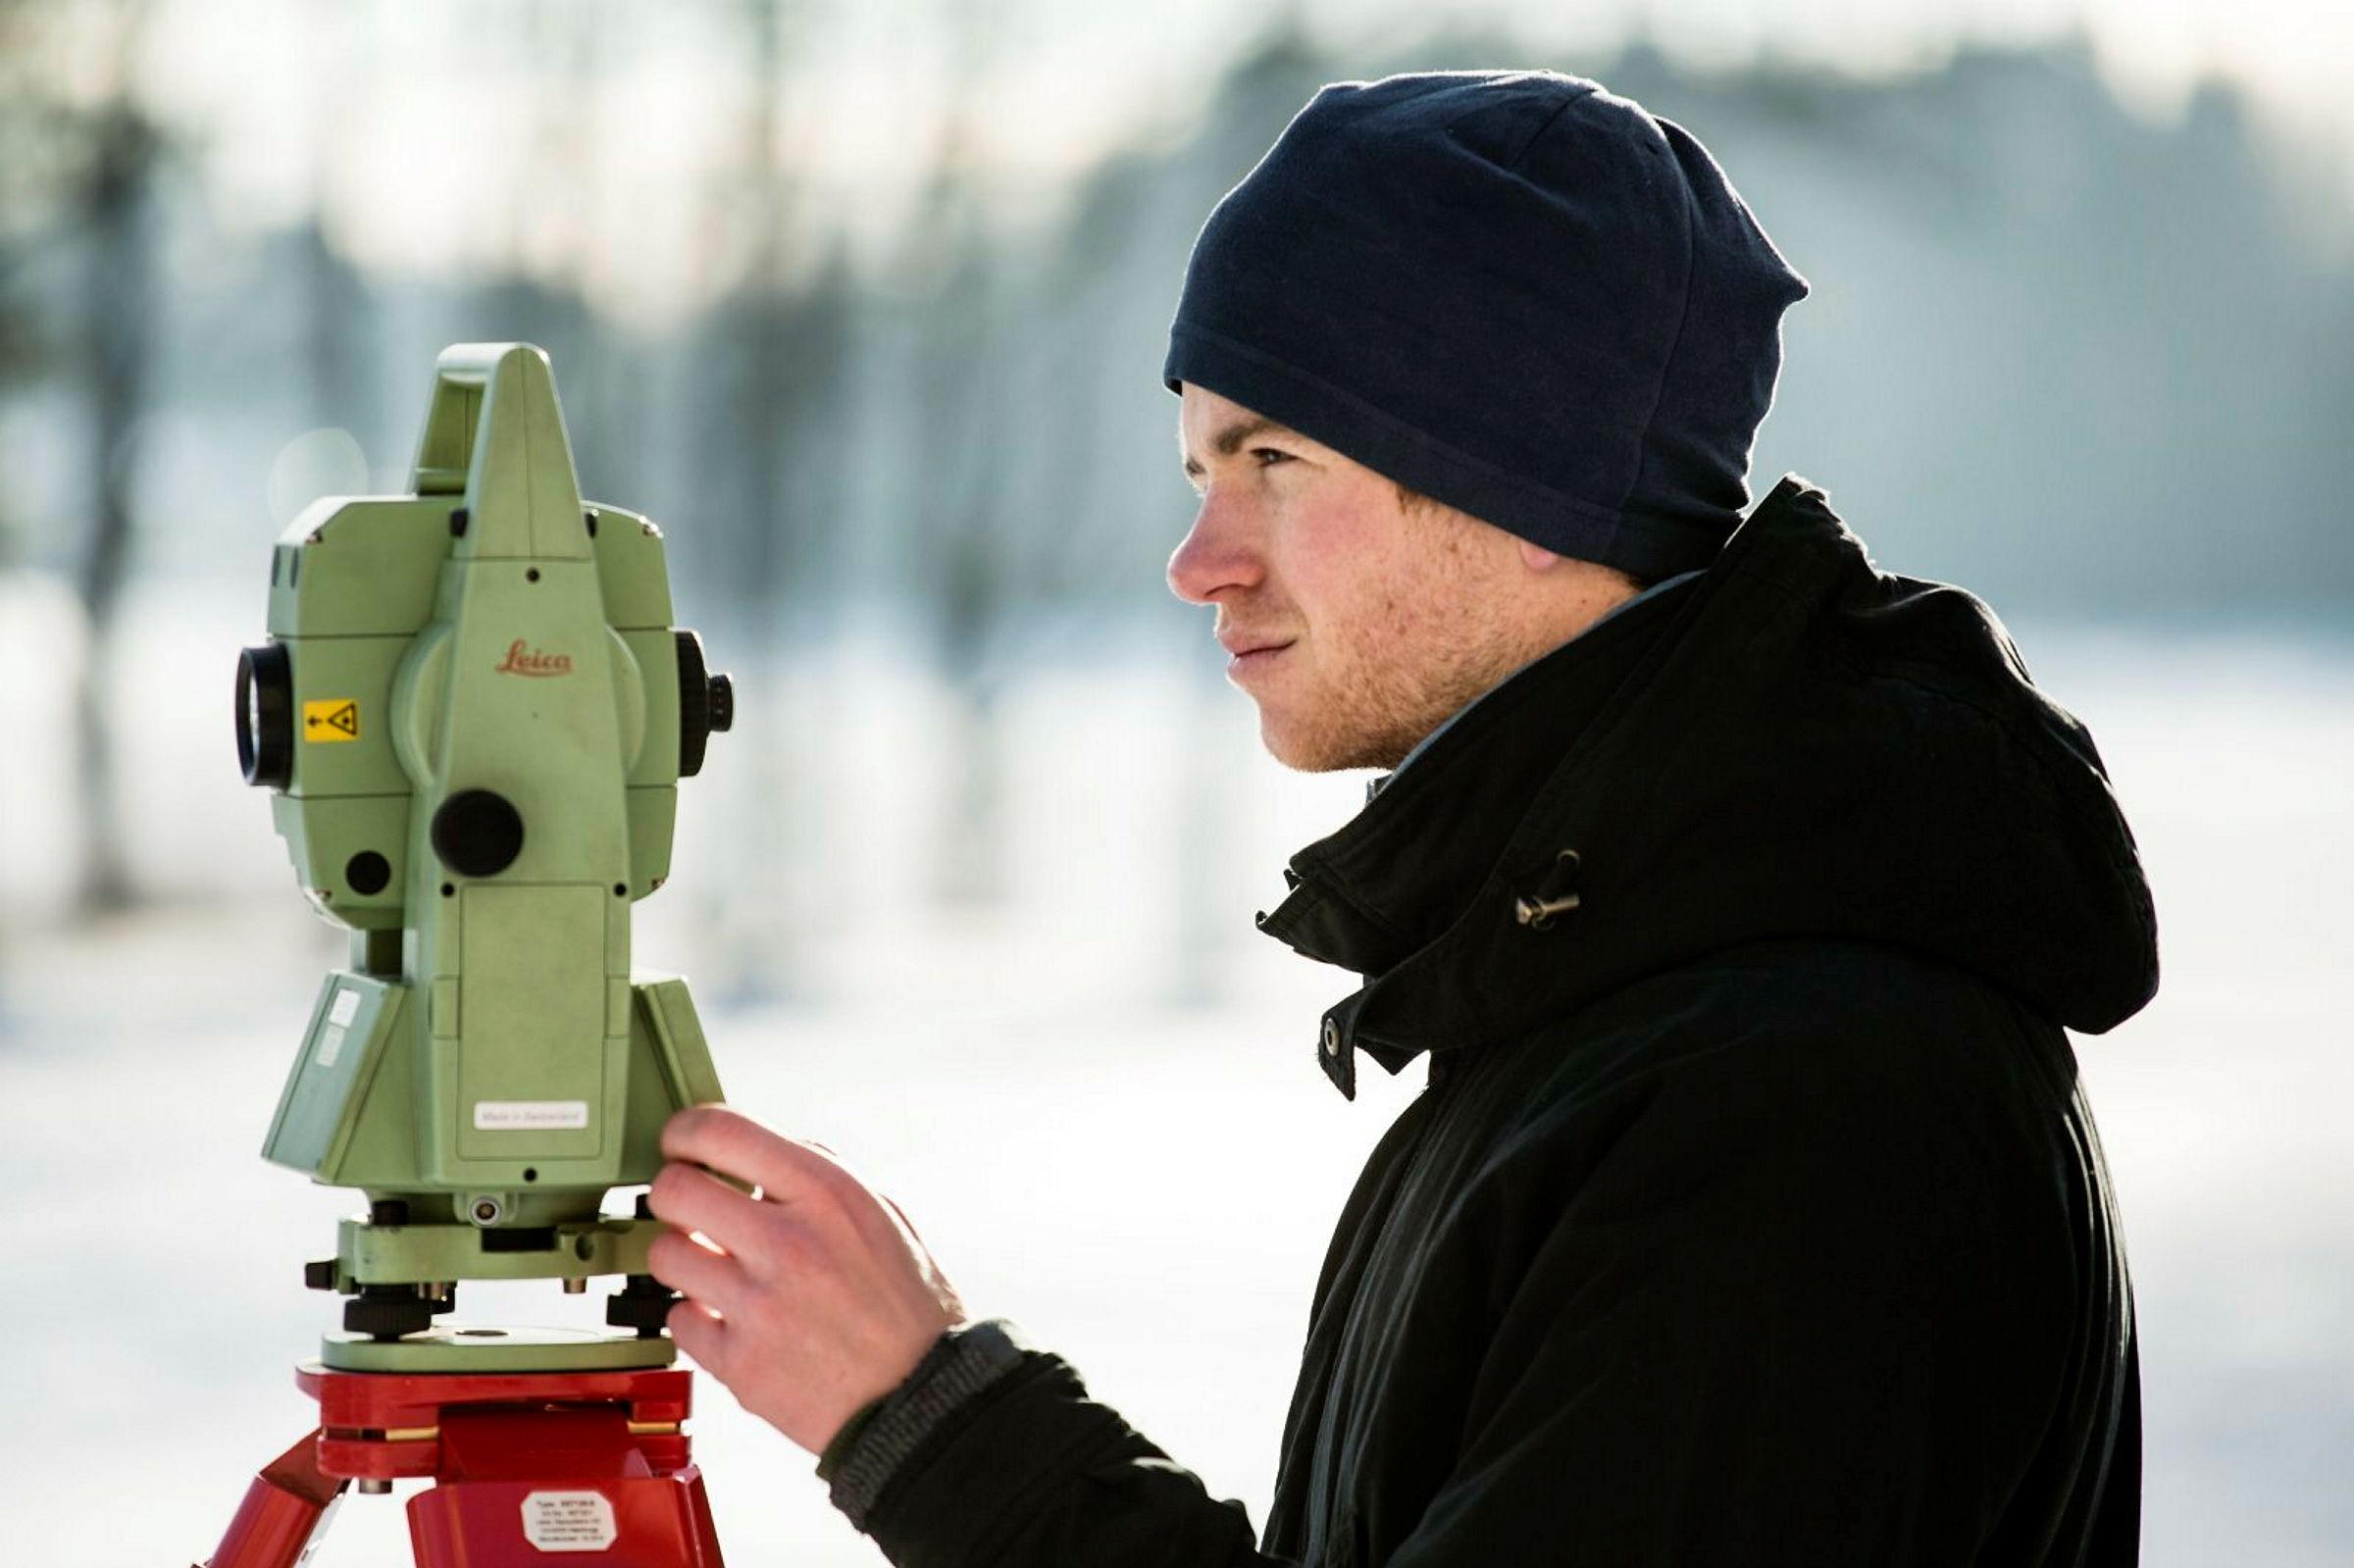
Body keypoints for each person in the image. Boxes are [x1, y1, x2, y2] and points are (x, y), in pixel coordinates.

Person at [645, 70, 2155, 1566]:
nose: (1199, 559)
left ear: (1531, 484)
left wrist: (943, 1431)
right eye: (1199, 468)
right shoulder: (1592, 997)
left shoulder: (1807, 1112)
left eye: (1274, 461)